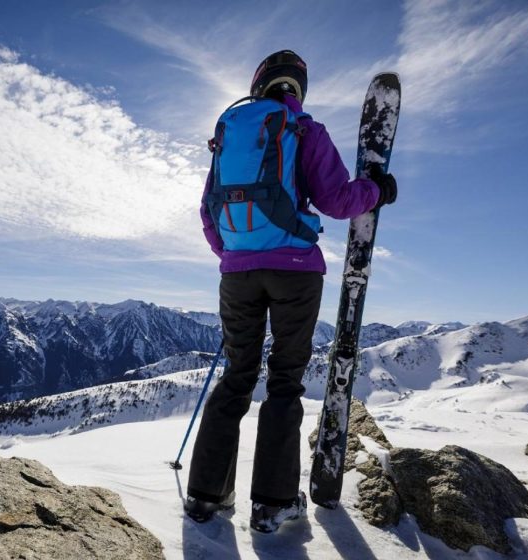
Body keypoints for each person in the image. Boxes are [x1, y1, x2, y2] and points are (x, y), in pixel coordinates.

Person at [184, 50, 397, 533]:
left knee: (236, 377)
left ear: (258, 85)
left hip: (236, 274)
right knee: (284, 381)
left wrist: (233, 256)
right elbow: (337, 200)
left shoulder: (230, 134)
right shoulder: (303, 130)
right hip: (295, 272)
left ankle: (205, 496)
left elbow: (207, 211)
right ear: (298, 88)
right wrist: (377, 190)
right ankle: (273, 503)